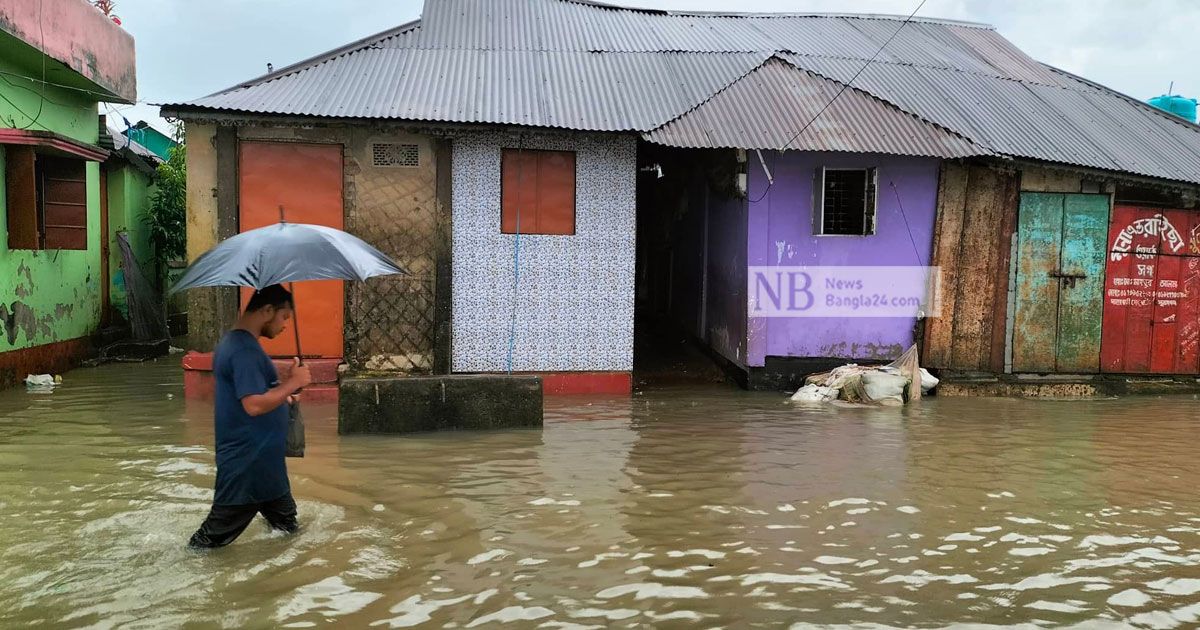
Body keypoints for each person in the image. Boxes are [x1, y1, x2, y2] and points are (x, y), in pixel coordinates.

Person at [188, 285, 312, 549]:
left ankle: (279, 581)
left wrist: (286, 394)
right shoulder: (245, 350)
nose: (285, 326)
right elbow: (253, 405)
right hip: (248, 466)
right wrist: (293, 384)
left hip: (266, 466)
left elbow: (254, 392)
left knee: (288, 531)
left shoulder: (238, 343)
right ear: (267, 310)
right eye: (284, 318)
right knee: (207, 543)